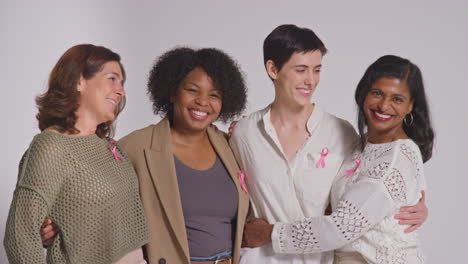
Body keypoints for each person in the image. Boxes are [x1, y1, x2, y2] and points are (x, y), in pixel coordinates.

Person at [229, 25, 428, 264]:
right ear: (273, 69)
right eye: (301, 70)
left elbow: (352, 216)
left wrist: (413, 207)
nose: (310, 80)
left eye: (316, 70)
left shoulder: (342, 134)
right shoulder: (244, 133)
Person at [41, 47, 250, 264]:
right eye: (192, 90)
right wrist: (57, 224)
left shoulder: (230, 147)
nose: (203, 102)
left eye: (214, 95)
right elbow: (91, 193)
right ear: (172, 92)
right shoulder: (136, 147)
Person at [3, 44, 149, 264]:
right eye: (112, 79)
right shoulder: (52, 146)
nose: (121, 90)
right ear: (79, 81)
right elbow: (20, 235)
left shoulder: (108, 145)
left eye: (122, 83)